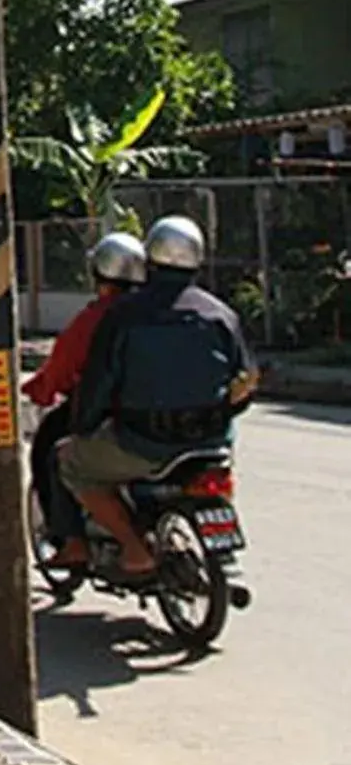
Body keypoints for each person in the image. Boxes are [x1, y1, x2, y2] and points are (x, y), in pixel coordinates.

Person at [57, 213, 259, 577]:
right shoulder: (221, 315)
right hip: (209, 443)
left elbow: (98, 383)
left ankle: (135, 549)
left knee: (71, 462)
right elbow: (245, 384)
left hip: (142, 442)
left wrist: (83, 428)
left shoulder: (124, 315)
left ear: (149, 260)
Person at [24, 229, 146, 556]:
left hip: (111, 416)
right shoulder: (164, 310)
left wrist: (41, 390)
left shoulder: (97, 317)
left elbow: (62, 366)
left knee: (53, 452)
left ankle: (72, 541)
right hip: (177, 420)